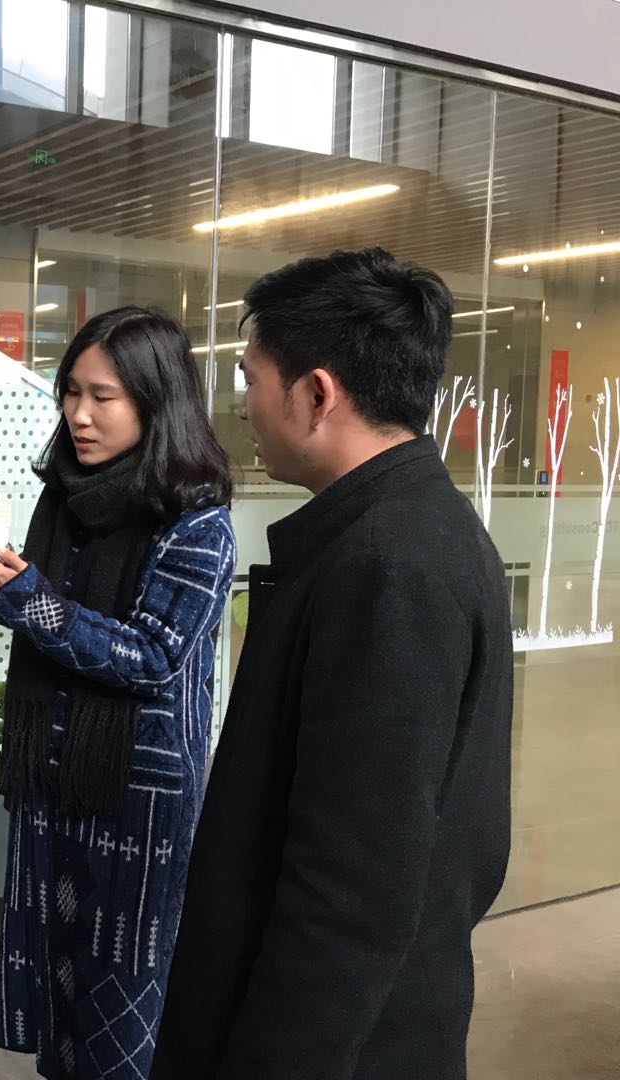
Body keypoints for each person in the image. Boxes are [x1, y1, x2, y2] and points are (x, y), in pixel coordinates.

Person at [151, 249, 513, 1080]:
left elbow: (348, 891)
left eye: (250, 380)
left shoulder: (388, 566)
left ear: (316, 394)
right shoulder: (417, 528)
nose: (242, 406)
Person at [0, 306, 236, 1080]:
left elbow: (151, 655)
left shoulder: (198, 523)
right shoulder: (66, 498)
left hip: (134, 797)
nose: (79, 415)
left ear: (155, 400)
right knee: (61, 996)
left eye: (103, 397)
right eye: (71, 392)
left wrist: (27, 600)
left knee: (123, 1005)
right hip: (55, 783)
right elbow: (51, 623)